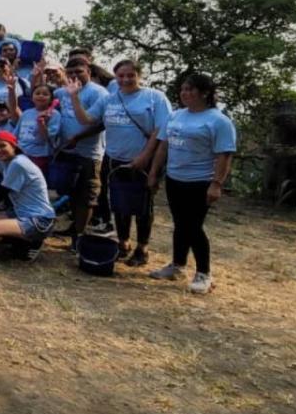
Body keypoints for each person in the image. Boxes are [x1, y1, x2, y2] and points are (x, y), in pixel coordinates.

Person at [70, 59, 171, 265]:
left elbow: (161, 131)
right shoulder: (110, 99)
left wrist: (144, 157)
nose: (126, 79)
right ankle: (123, 242)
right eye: (121, 75)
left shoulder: (154, 98)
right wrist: (74, 96)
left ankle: (142, 248)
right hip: (114, 158)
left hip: (146, 160)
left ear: (139, 76)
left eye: (130, 75)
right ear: (115, 77)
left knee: (143, 205)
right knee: (118, 203)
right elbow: (87, 119)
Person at [147, 73, 236, 294]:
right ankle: (177, 265)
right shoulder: (175, 116)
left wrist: (216, 184)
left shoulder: (218, 120)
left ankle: (204, 273)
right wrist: (154, 172)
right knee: (180, 223)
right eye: (183, 89)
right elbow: (163, 147)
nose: (185, 93)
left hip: (200, 181)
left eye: (191, 89)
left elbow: (224, 155)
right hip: (175, 179)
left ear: (205, 93)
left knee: (193, 227)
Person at [0, 111, 57, 260]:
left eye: (3, 146)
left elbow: (1, 193)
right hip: (19, 212)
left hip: (38, 219)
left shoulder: (18, 163)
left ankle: (32, 242)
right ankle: (16, 239)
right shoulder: (6, 162)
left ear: (14, 146)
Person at [55, 58, 107, 241]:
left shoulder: (98, 92)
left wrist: (79, 137)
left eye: (79, 71)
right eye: (70, 72)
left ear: (89, 72)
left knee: (87, 196)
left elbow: (101, 124)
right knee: (73, 194)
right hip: (67, 151)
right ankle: (74, 228)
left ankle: (80, 235)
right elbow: (41, 97)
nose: (74, 75)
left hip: (89, 153)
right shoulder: (62, 92)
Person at [11, 83, 61, 172]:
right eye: (37, 93)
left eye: (45, 94)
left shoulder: (55, 115)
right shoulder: (26, 113)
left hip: (39, 156)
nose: (41, 96)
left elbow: (46, 138)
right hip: (21, 154)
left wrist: (41, 123)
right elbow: (16, 135)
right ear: (32, 97)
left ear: (51, 99)